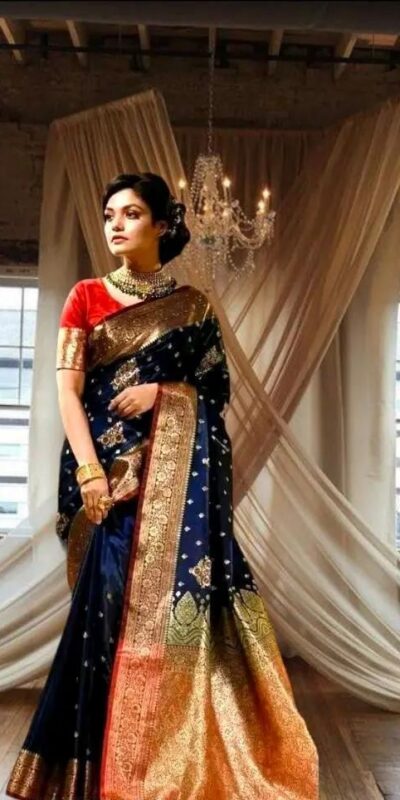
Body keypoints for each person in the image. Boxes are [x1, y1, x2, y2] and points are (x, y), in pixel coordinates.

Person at [6, 172, 319, 800]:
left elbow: (216, 393)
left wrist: (164, 394)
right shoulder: (86, 297)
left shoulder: (194, 308)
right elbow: (68, 392)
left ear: (161, 225)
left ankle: (160, 765)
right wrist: (90, 471)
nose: (115, 225)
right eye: (109, 215)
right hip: (106, 480)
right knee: (106, 611)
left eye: (130, 214)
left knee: (170, 620)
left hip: (174, 486)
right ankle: (94, 770)